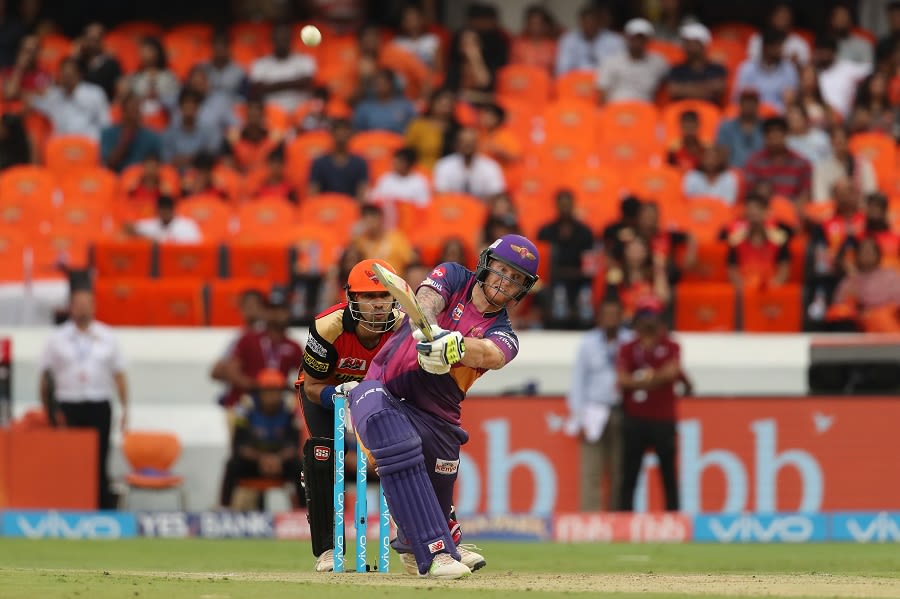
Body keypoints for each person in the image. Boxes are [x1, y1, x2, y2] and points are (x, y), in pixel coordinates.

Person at [345, 233, 541, 578]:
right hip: (381, 390)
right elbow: (426, 297)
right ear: (485, 264)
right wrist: (430, 327)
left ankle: (420, 542)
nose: (505, 281)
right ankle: (436, 553)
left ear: (523, 290)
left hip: (439, 419)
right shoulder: (454, 275)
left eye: (516, 279)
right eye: (501, 270)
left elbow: (492, 355)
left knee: (435, 481)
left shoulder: (505, 332)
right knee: (399, 442)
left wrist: (456, 346)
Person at [294, 259, 402, 572]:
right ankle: (328, 551)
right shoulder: (328, 326)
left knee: (401, 453)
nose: (378, 304)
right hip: (326, 391)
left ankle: (413, 542)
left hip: (378, 392)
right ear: (352, 298)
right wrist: (337, 395)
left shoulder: (402, 327)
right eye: (369, 296)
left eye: (384, 295)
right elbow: (312, 386)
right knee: (323, 454)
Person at [38, 288, 129, 509]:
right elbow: (44, 376)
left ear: (94, 306)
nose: (82, 308)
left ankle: (100, 507)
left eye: (86, 303)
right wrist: (47, 409)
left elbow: (119, 375)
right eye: (77, 304)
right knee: (69, 459)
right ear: (71, 307)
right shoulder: (57, 338)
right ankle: (68, 505)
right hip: (68, 403)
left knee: (100, 459)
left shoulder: (107, 337)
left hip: (99, 403)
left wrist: (126, 409)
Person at [566, 297, 633, 511]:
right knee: (591, 470)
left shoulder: (630, 340)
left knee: (620, 470)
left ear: (622, 316)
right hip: (593, 411)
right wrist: (579, 417)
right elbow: (578, 381)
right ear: (599, 317)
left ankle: (617, 521)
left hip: (622, 410)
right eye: (607, 314)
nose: (611, 319)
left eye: (615, 314)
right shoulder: (588, 343)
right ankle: (589, 521)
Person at [617, 296, 682, 512]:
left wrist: (642, 380)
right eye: (644, 314)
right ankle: (624, 522)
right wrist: (654, 378)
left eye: (652, 315)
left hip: (663, 419)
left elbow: (670, 373)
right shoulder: (629, 347)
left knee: (668, 475)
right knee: (629, 474)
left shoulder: (671, 345)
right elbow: (622, 380)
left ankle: (674, 519)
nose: (648, 320)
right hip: (634, 418)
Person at [220, 368, 304, 509]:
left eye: (275, 391)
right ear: (259, 392)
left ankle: (304, 511)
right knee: (232, 465)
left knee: (301, 468)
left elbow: (294, 445)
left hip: (281, 462)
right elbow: (239, 445)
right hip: (254, 462)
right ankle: (224, 508)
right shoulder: (245, 410)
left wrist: (277, 459)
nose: (271, 396)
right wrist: (262, 459)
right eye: (267, 391)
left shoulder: (290, 410)